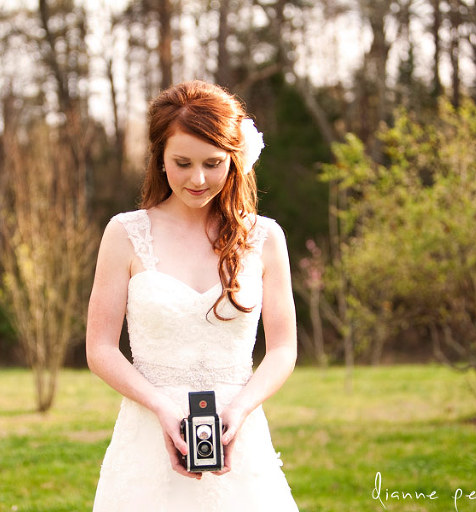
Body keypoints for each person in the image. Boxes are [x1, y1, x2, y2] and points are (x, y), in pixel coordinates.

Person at [86, 80, 298, 511]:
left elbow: (283, 348)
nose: (198, 179)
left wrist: (240, 410)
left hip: (238, 434)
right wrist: (162, 408)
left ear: (234, 160)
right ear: (160, 160)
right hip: (147, 434)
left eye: (213, 163)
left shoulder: (265, 237)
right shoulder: (124, 233)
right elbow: (100, 348)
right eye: (182, 162)